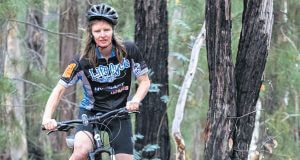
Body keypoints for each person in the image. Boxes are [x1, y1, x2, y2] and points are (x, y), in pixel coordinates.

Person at [42, 3, 150, 160]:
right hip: (90, 113)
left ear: (113, 30)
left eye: (106, 30)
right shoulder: (81, 60)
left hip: (119, 113)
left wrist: (136, 100)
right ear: (91, 34)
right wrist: (47, 118)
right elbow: (60, 89)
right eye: (97, 31)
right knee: (80, 152)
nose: (102, 35)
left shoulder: (129, 50)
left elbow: (145, 81)